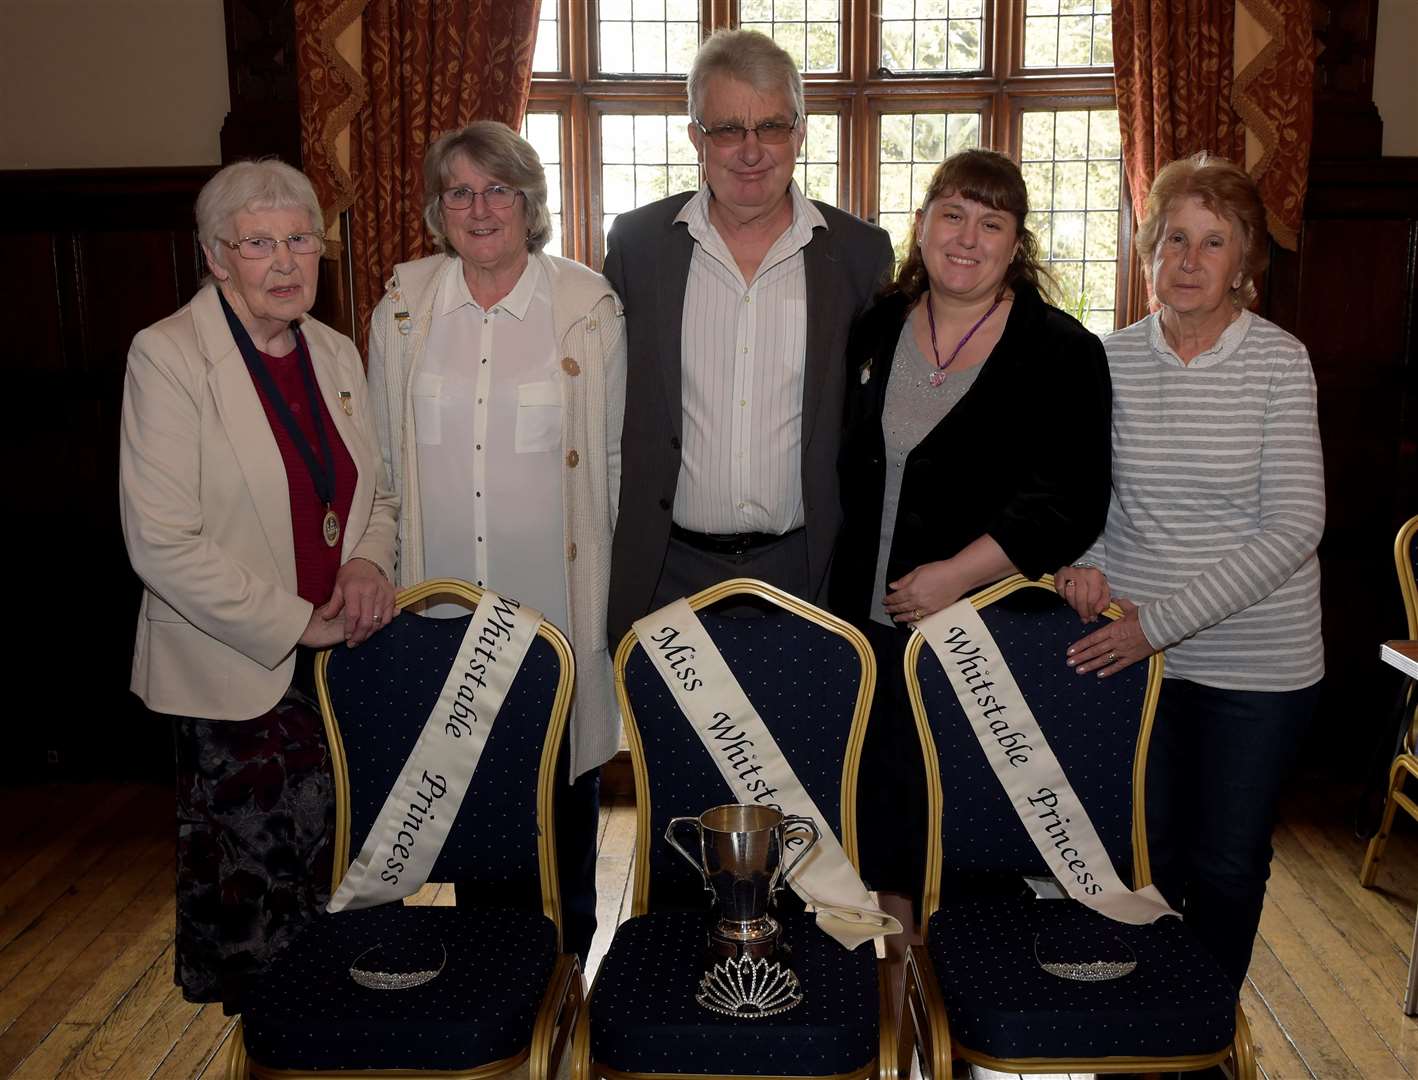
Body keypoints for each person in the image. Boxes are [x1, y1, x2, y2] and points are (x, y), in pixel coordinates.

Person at [119, 159, 399, 1007]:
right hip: (237, 686)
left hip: (347, 673)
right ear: (215, 256)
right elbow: (160, 543)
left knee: (352, 904)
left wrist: (366, 561)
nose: (286, 262)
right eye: (259, 244)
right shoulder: (168, 356)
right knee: (267, 937)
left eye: (301, 240)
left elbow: (378, 495)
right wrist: (293, 621)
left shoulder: (336, 350)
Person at [1056, 151, 1324, 991]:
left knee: (1227, 865)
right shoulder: (1109, 359)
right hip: (1137, 659)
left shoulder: (1280, 362)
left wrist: (1154, 627)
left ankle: (1202, 1031)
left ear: (1246, 261)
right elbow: (1092, 497)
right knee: (1142, 857)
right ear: (1147, 249)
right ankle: (1140, 1028)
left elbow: (1295, 526)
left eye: (1214, 242)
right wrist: (1084, 565)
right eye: (1175, 238)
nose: (1190, 260)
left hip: (1257, 668)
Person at [366, 121, 625, 965]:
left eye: (498, 190)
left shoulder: (588, 306)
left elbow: (614, 463)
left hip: (551, 618)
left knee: (558, 805)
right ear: (438, 211)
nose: (479, 209)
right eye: (459, 192)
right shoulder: (403, 309)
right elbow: (381, 463)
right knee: (471, 815)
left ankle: (565, 976)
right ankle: (492, 975)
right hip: (440, 623)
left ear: (530, 202)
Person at [831, 148, 1112, 906]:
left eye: (991, 223)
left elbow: (1073, 499)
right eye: (952, 215)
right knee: (881, 823)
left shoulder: (1063, 351)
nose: (967, 237)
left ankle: (962, 999)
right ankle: (894, 1001)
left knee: (964, 832)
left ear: (1016, 243)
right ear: (921, 227)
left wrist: (957, 573)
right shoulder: (875, 327)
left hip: (983, 633)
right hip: (864, 627)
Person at [603, 28, 894, 644]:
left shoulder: (861, 255)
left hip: (809, 572)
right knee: (672, 744)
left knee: (808, 743)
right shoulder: (637, 247)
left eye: (772, 127)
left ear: (801, 132)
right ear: (695, 139)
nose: (751, 150)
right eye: (728, 129)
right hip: (668, 573)